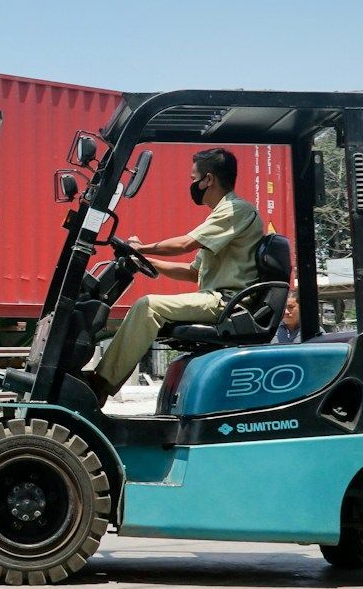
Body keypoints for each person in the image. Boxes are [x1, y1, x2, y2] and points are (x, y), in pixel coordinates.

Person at [83, 146, 264, 400]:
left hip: (227, 302)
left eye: (194, 179)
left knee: (149, 307)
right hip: (218, 298)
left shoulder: (236, 210)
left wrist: (140, 248)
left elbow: (184, 245)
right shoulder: (221, 217)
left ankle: (99, 385)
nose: (192, 184)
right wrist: (141, 258)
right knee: (148, 306)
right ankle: (102, 381)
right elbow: (192, 272)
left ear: (208, 179)